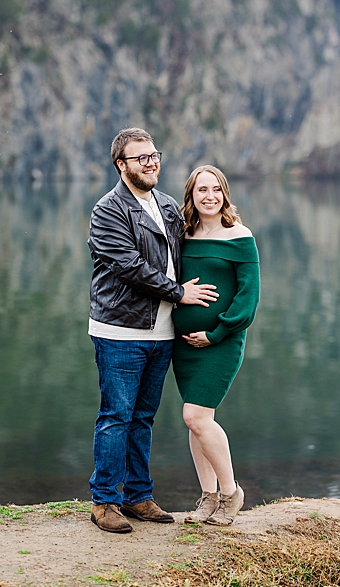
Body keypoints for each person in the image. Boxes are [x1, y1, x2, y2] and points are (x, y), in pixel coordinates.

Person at [87, 127, 219, 534]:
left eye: (154, 154)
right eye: (140, 157)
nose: (151, 162)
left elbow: (194, 247)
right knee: (116, 417)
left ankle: (138, 496)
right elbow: (129, 267)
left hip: (162, 332)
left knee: (143, 418)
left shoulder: (166, 206)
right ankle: (105, 500)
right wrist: (179, 294)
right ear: (121, 165)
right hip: (120, 330)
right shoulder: (108, 210)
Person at [171, 165, 260, 526]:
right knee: (198, 422)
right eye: (201, 190)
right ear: (191, 196)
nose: (209, 196)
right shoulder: (182, 235)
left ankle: (231, 492)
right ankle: (208, 496)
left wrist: (216, 333)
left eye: (216, 189)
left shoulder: (240, 237)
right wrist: (180, 298)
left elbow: (248, 299)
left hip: (220, 344)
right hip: (183, 346)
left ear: (224, 194)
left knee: (194, 415)